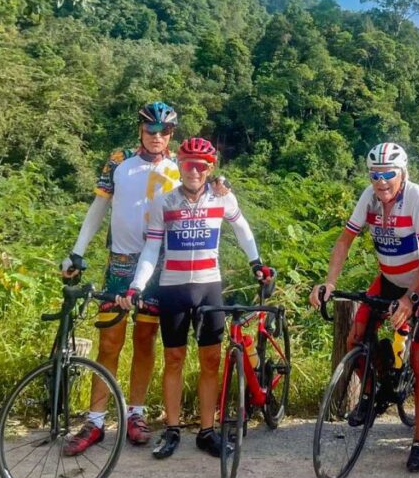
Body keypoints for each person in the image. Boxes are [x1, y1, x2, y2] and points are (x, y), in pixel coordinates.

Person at [120, 137, 272, 459]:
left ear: (209, 168)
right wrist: (136, 285)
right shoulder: (164, 201)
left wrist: (256, 263)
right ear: (180, 166)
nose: (194, 171)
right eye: (188, 164)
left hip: (208, 286)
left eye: (201, 166)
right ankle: (172, 430)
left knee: (211, 361)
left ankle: (206, 431)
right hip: (172, 288)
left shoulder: (222, 198)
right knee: (173, 359)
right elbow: (151, 249)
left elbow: (242, 229)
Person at [308, 142, 419, 472]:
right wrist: (329, 282)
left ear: (403, 173)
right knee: (355, 339)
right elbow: (344, 241)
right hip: (388, 277)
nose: (381, 182)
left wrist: (411, 299)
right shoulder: (368, 199)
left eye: (388, 175)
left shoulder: (416, 197)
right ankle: (373, 393)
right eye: (375, 175)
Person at [60, 102, 181, 455]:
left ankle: (136, 414)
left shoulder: (178, 168)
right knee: (109, 343)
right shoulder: (119, 161)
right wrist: (78, 251)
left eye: (165, 132)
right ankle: (95, 420)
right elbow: (98, 208)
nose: (158, 137)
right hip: (120, 263)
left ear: (172, 134)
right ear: (140, 131)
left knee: (145, 340)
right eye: (151, 131)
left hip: (159, 266)